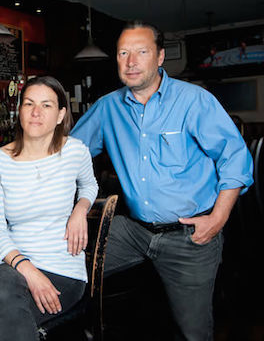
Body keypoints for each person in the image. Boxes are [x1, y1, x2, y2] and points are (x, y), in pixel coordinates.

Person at [70, 20, 254, 341]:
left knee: (193, 333)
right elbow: (68, 156)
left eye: (141, 52)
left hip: (190, 234)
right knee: (62, 259)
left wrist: (218, 218)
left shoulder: (193, 100)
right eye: (123, 53)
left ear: (159, 57)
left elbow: (235, 158)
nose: (130, 62)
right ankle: (69, 325)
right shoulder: (108, 107)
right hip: (133, 230)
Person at [0, 76, 98, 341]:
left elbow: (89, 185)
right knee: (1, 276)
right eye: (29, 104)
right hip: (17, 267)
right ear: (20, 110)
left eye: (46, 105)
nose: (36, 112)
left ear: (60, 115)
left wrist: (80, 209)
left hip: (64, 271)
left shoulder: (75, 151)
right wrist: (28, 269)